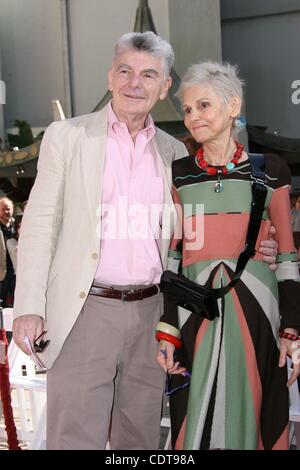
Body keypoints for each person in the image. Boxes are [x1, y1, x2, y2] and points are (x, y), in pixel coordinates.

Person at [12, 34, 277, 451]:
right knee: (74, 439)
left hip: (153, 316)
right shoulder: (67, 137)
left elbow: (198, 234)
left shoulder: (175, 155)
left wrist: (264, 246)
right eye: (125, 71)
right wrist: (28, 306)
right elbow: (40, 224)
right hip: (84, 312)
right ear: (110, 77)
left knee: (140, 440)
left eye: (148, 74)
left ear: (164, 87)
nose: (135, 83)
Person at [156, 61, 300, 450]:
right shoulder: (179, 175)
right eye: (187, 109)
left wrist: (291, 330)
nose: (193, 117)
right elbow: (173, 258)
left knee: (256, 406)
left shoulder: (271, 171)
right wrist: (167, 330)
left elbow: (287, 257)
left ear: (233, 105)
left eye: (204, 105)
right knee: (193, 409)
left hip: (259, 311)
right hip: (193, 312)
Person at [0, 197, 16, 307]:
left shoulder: (19, 225)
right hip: (1, 271)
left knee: (18, 303)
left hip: (16, 271)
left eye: (8, 209)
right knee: (2, 303)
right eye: (3, 209)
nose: (6, 212)